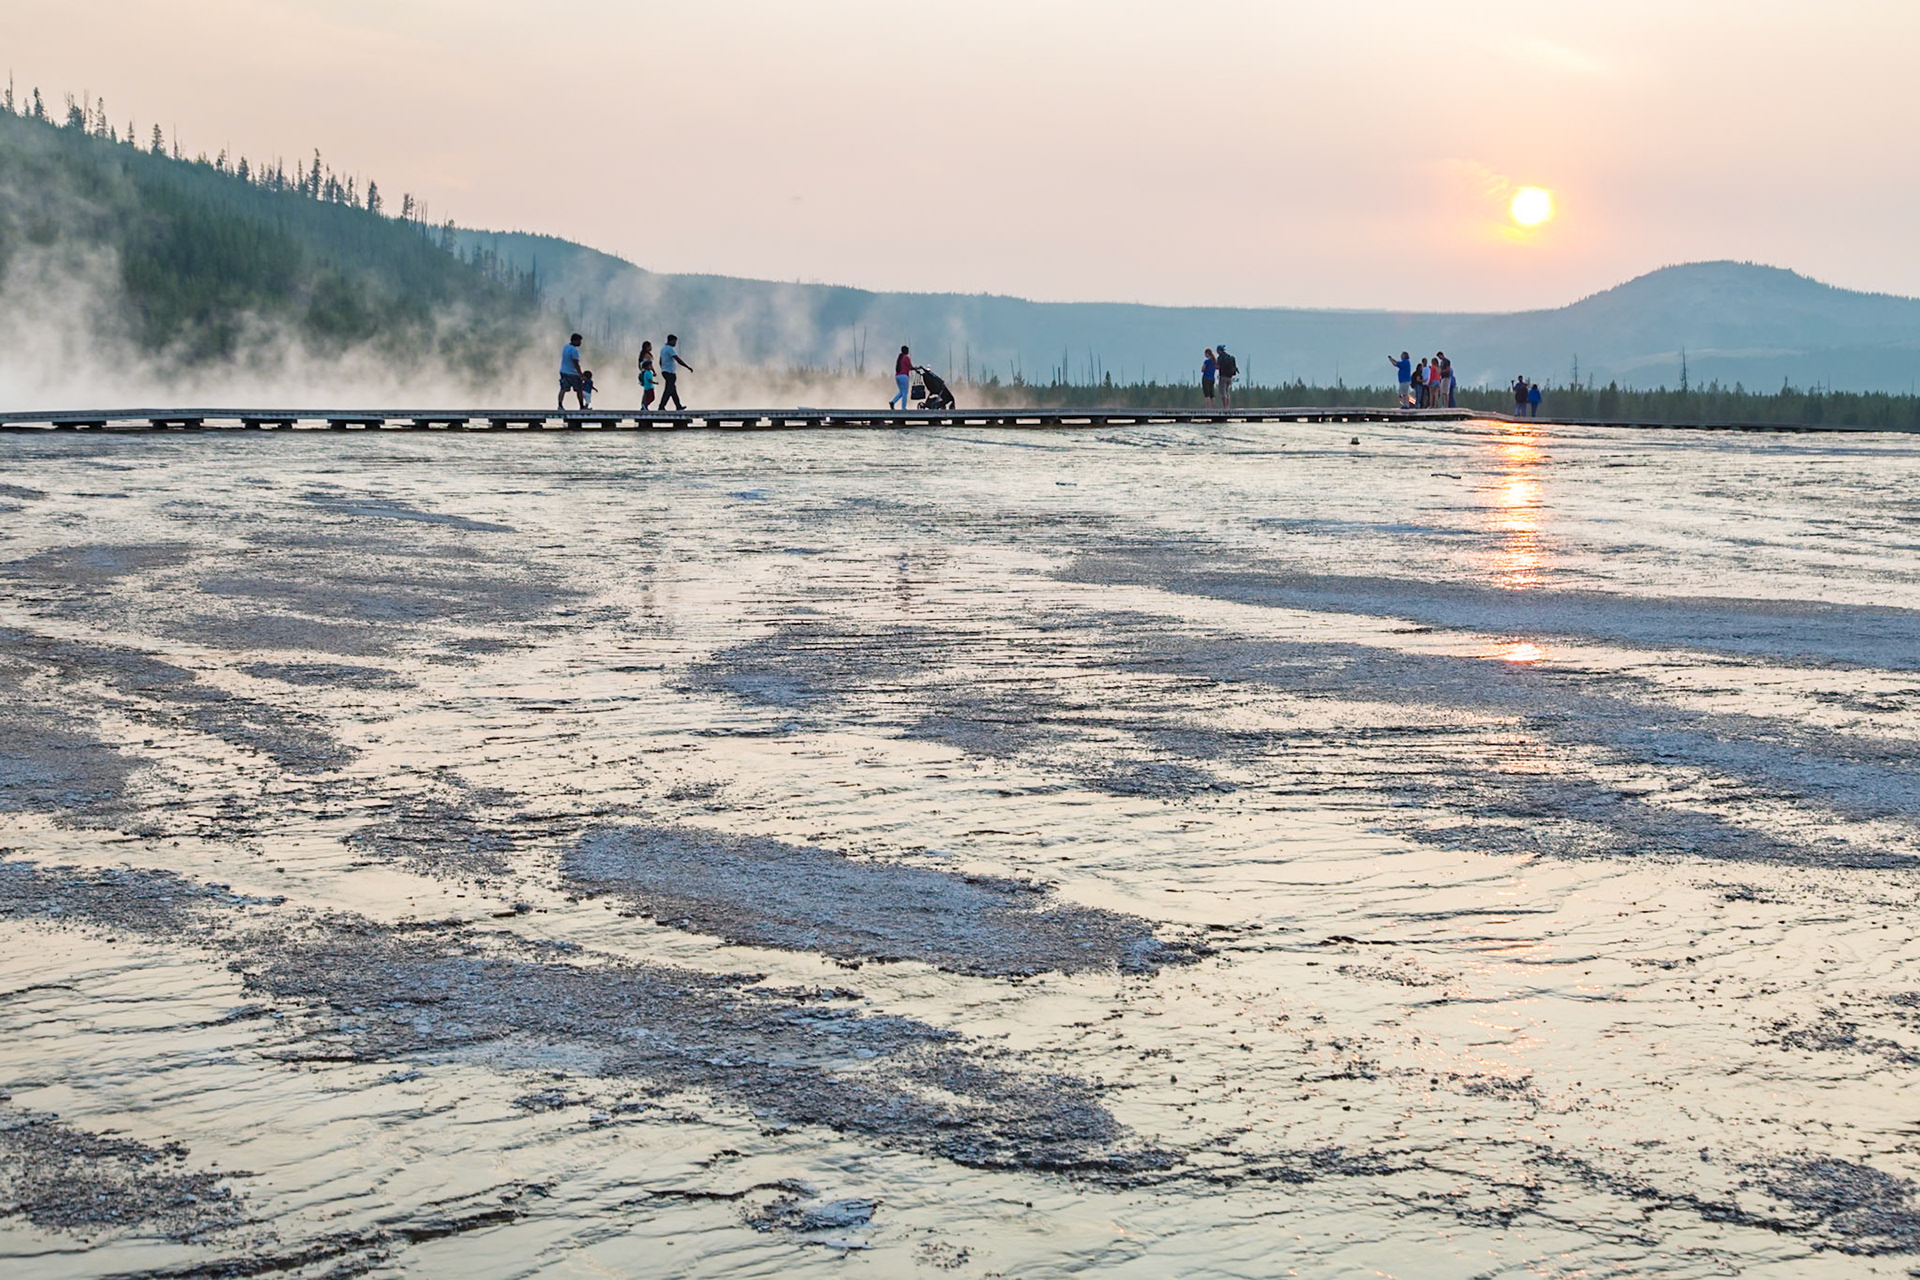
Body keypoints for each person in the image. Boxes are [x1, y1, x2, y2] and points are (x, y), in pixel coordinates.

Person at [659, 334, 692, 410]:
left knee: (673, 390)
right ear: (670, 341)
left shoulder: (663, 349)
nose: (675, 343)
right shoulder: (670, 349)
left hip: (665, 371)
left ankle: (678, 406)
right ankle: (661, 406)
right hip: (670, 372)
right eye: (674, 341)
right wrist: (687, 367)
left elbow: (660, 361)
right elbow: (677, 359)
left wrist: (663, 368)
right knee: (668, 390)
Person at [558, 332, 585, 410]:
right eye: (579, 341)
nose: (580, 343)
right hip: (573, 373)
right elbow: (576, 364)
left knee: (563, 389)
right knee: (579, 390)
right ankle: (581, 406)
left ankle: (560, 405)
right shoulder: (574, 350)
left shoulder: (566, 347)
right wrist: (581, 375)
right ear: (574, 341)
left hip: (563, 371)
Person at [1215, 343, 1238, 409]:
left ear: (1219, 350)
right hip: (1230, 377)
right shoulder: (1229, 357)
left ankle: (1224, 406)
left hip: (1223, 377)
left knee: (1223, 392)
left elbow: (1218, 367)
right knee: (1227, 392)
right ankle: (1227, 406)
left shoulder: (1220, 357)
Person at [890, 345, 913, 409]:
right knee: (905, 392)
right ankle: (903, 408)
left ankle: (893, 402)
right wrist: (917, 368)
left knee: (901, 392)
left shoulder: (900, 358)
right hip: (904, 376)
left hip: (897, 376)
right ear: (906, 351)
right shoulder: (906, 357)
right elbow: (910, 367)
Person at [637, 341, 657, 411]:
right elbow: (650, 365)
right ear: (647, 347)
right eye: (650, 346)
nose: (651, 347)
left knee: (646, 391)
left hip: (642, 374)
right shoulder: (647, 355)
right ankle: (644, 405)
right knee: (648, 392)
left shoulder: (642, 355)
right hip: (646, 374)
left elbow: (640, 365)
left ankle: (644, 405)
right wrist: (654, 372)